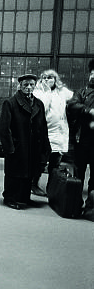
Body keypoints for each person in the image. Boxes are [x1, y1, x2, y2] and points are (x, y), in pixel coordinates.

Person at [0, 73, 51, 210]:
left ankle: (24, 197)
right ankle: (9, 198)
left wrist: (46, 147)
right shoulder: (10, 103)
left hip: (33, 145)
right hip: (18, 145)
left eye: (31, 85)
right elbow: (4, 128)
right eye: (25, 85)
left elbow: (43, 127)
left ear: (35, 86)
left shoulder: (38, 104)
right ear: (20, 86)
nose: (29, 87)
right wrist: (10, 148)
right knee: (14, 174)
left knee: (29, 172)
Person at [32, 69, 73, 196]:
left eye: (50, 77)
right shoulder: (39, 92)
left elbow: (72, 98)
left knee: (55, 162)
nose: (47, 80)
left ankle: (52, 186)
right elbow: (41, 107)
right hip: (46, 131)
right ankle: (34, 184)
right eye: (44, 77)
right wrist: (47, 91)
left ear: (55, 79)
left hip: (60, 132)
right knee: (41, 161)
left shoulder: (62, 92)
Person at [67, 59, 94, 219]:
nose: (92, 76)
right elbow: (72, 105)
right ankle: (74, 204)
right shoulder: (82, 92)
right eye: (91, 73)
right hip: (82, 141)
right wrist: (88, 110)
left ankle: (91, 207)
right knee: (78, 174)